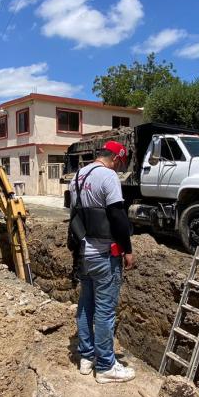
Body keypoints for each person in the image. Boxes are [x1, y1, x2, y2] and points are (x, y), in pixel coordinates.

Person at [68, 141, 136, 384]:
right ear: (116, 158)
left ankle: (86, 358)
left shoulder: (77, 176)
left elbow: (74, 215)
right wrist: (127, 249)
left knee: (86, 305)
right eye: (121, 163)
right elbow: (117, 215)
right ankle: (106, 365)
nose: (119, 167)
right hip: (104, 254)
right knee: (105, 311)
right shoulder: (108, 177)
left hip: (83, 254)